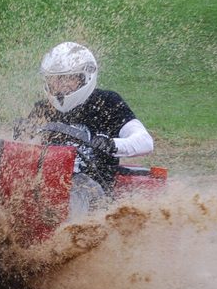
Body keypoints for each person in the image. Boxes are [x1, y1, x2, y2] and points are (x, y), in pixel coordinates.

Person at [18, 42, 154, 216]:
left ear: (85, 77)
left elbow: (145, 141)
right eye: (54, 79)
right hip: (48, 185)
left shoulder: (107, 102)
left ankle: (67, 239)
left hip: (92, 189)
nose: (60, 85)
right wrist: (23, 134)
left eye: (67, 78)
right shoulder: (43, 109)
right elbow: (26, 152)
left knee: (75, 189)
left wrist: (112, 144)